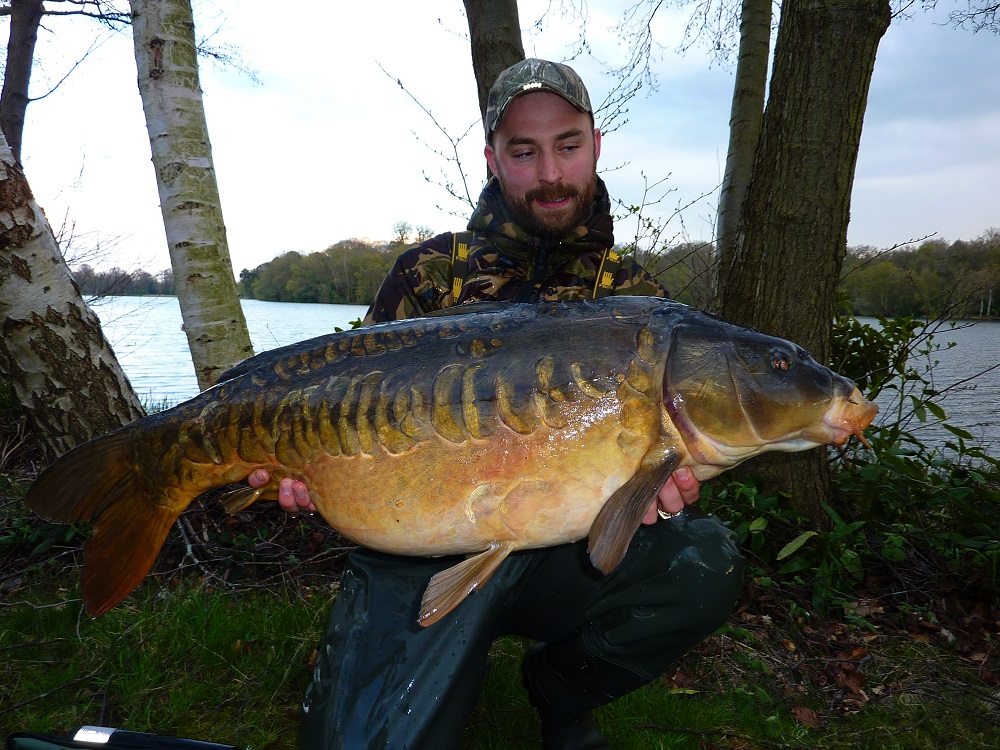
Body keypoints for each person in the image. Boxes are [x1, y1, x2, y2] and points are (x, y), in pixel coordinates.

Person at [249, 58, 744, 750]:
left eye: (567, 145)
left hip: (561, 552)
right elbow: (346, 415)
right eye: (523, 150)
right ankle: (433, 655)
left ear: (596, 145)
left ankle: (562, 690)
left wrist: (659, 488)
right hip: (418, 549)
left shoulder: (634, 296)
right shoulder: (428, 275)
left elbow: (650, 475)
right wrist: (305, 471)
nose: (549, 172)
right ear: (493, 159)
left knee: (701, 564)